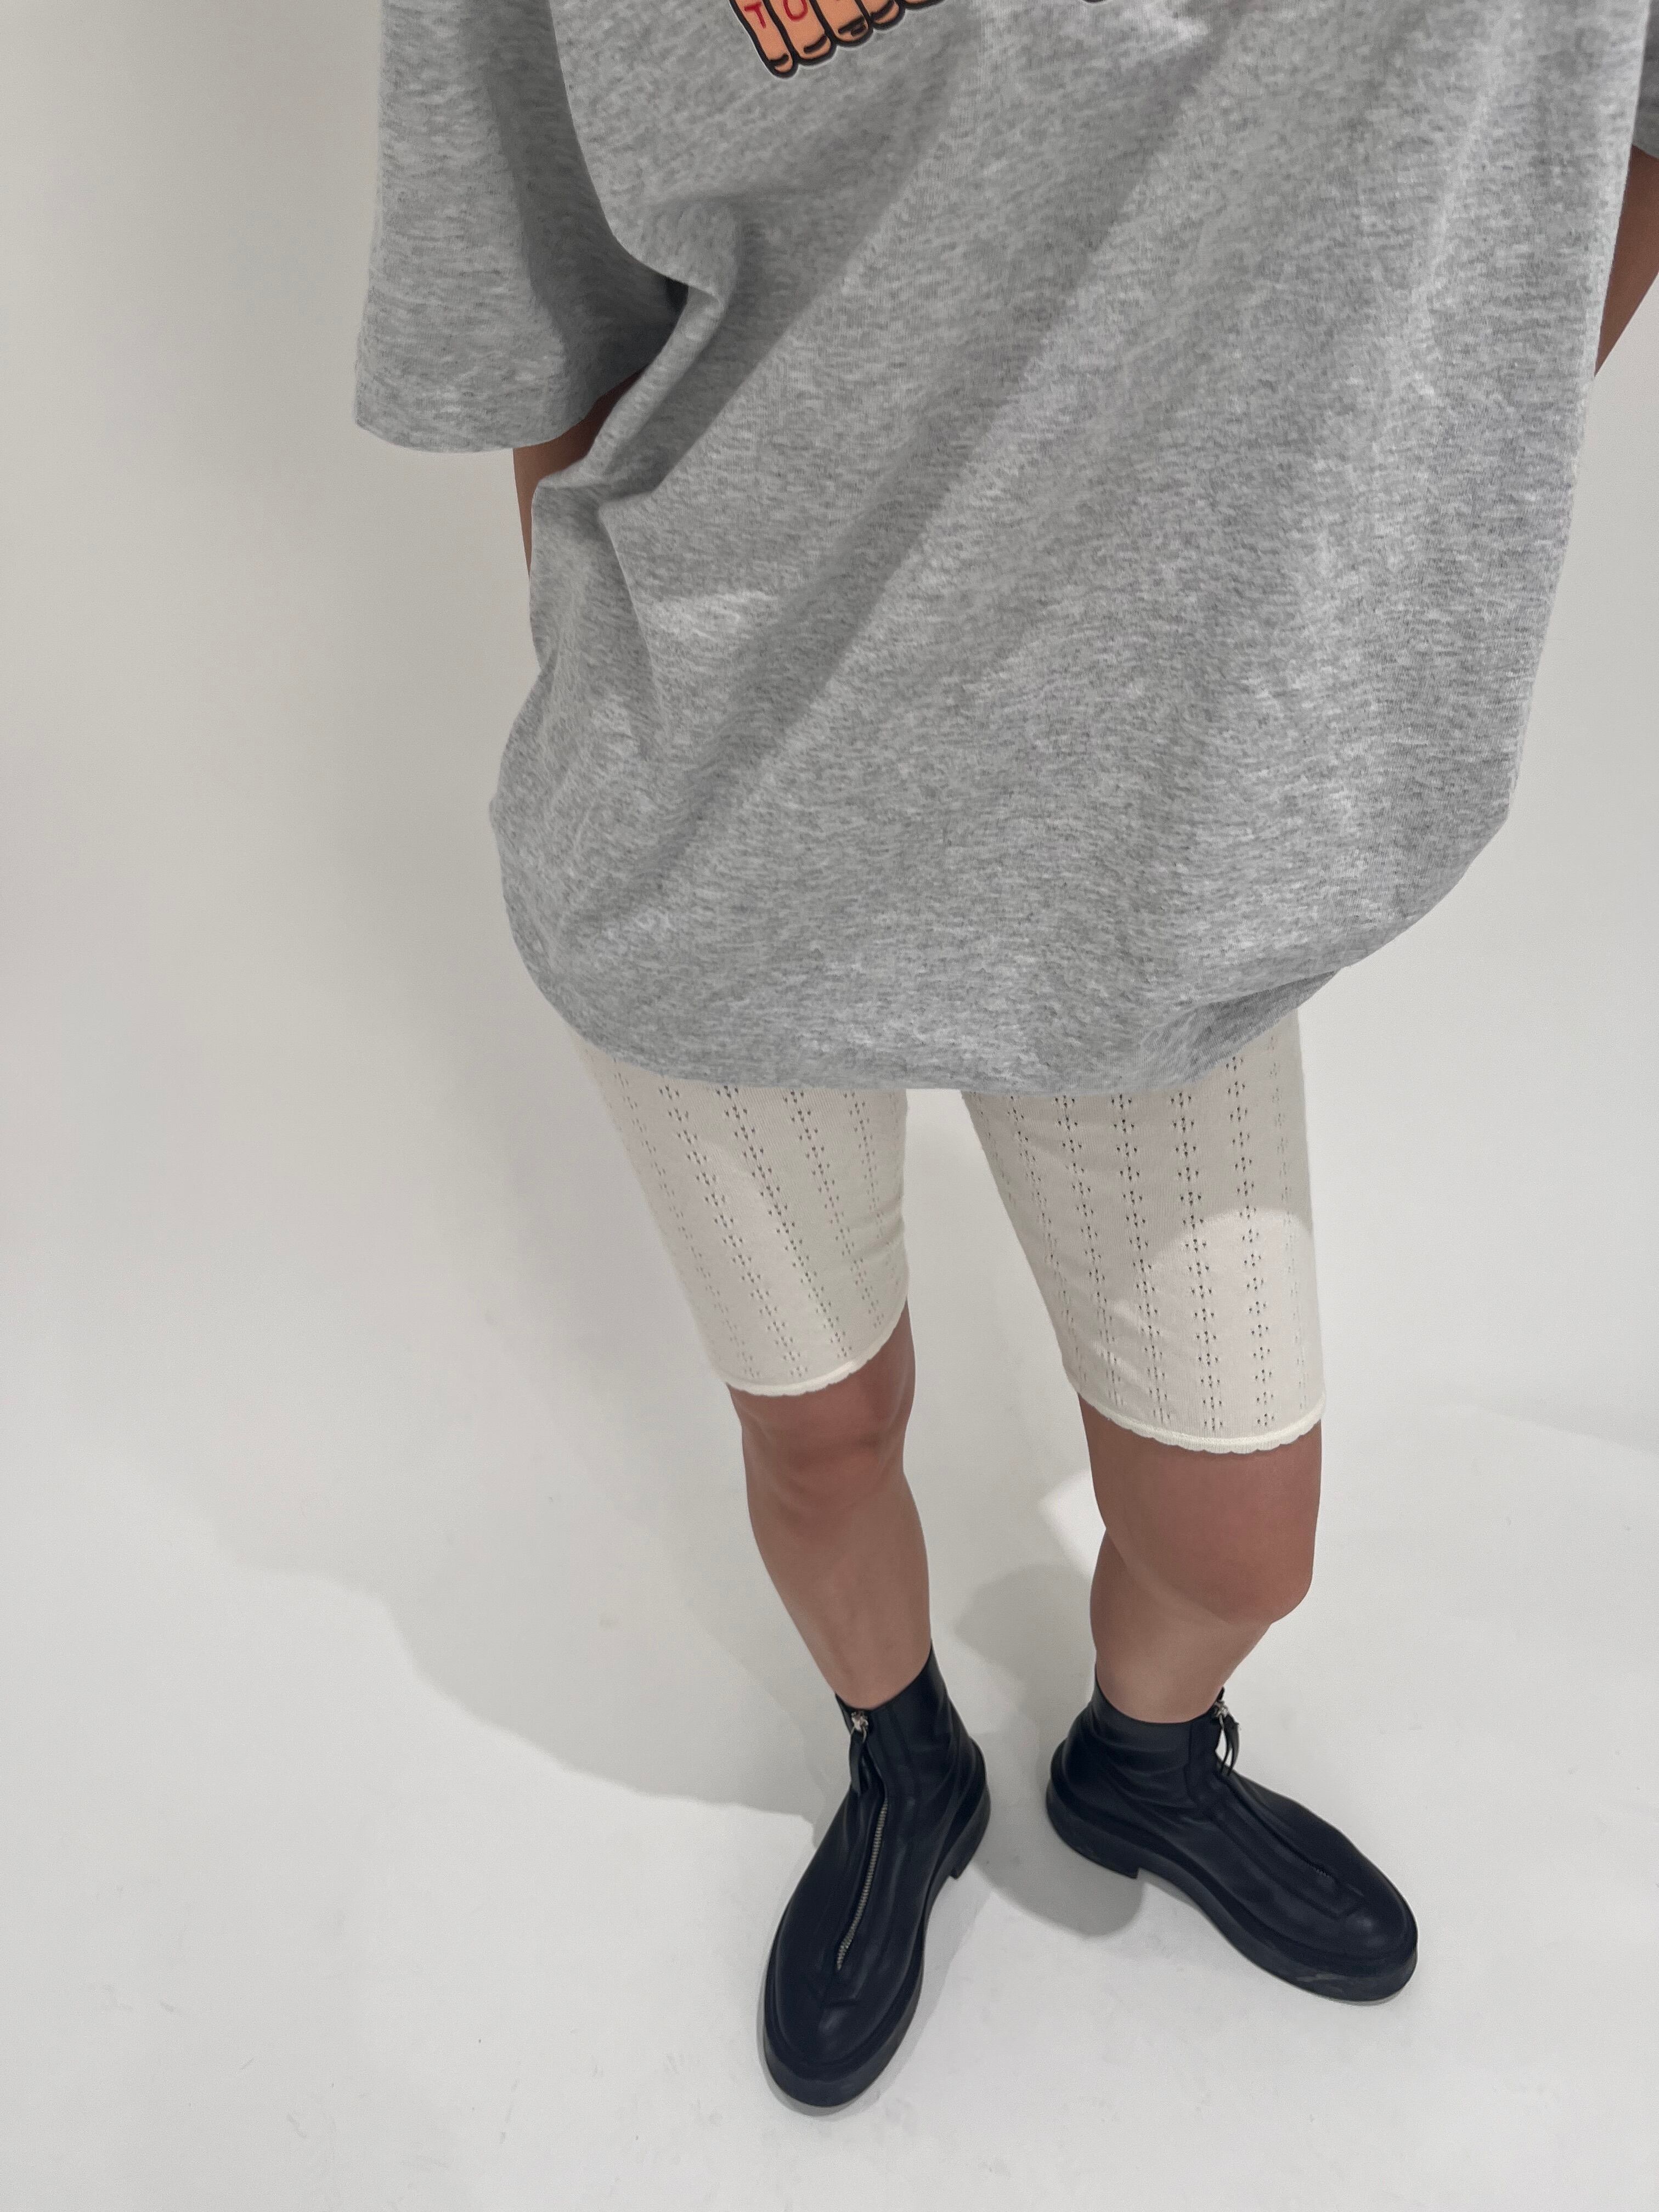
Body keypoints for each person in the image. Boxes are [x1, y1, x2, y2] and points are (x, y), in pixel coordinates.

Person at [356, 0, 1659, 2107]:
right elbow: (542, 315)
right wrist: (664, 730)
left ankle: (1149, 1761)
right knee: (822, 1436)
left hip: (1152, 843)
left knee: (1238, 1537)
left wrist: (1359, 509)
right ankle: (905, 1767)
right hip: (717, 829)